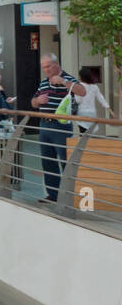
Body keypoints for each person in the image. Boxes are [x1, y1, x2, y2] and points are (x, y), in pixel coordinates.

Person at [30, 52, 86, 203]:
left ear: (56, 65)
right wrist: (38, 100)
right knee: (48, 162)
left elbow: (82, 91)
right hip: (44, 125)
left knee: (65, 161)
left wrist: (63, 81)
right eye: (43, 67)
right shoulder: (43, 82)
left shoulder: (67, 78)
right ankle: (53, 195)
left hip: (60, 127)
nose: (46, 70)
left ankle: (68, 196)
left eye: (48, 66)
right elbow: (32, 102)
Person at [77, 65, 112, 130]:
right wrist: (110, 110)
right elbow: (101, 99)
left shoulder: (79, 86)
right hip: (92, 113)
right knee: (91, 132)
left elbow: (78, 100)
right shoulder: (94, 87)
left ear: (81, 76)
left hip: (82, 112)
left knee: (83, 133)